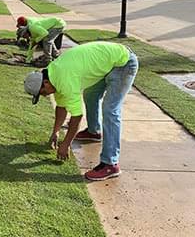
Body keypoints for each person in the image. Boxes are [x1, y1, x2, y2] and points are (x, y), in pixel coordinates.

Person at [23, 41, 139, 181]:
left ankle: (110, 164)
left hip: (123, 63)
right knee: (90, 95)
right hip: (108, 62)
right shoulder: (53, 74)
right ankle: (93, 132)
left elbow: (76, 117)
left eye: (42, 93)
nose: (45, 96)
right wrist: (55, 131)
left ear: (45, 83)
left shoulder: (65, 80)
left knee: (110, 110)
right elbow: (62, 106)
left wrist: (65, 144)